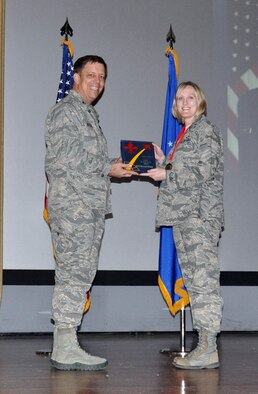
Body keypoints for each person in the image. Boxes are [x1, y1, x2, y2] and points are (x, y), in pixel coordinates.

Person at [45, 55, 137, 371]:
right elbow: (67, 157)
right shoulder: (66, 112)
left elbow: (89, 160)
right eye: (91, 75)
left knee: (80, 273)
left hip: (88, 208)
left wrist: (119, 165)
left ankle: (67, 344)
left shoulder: (87, 115)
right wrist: (105, 167)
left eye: (102, 77)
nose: (97, 82)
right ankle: (65, 345)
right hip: (74, 208)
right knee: (73, 273)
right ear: (76, 78)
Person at [141, 81, 224, 370]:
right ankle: (205, 345)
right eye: (180, 98)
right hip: (185, 218)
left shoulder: (205, 131)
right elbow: (186, 169)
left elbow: (201, 173)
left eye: (191, 97)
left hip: (199, 219)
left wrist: (167, 175)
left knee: (203, 282)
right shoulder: (185, 135)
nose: (185, 102)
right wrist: (166, 160)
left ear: (200, 101)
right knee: (196, 282)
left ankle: (208, 347)